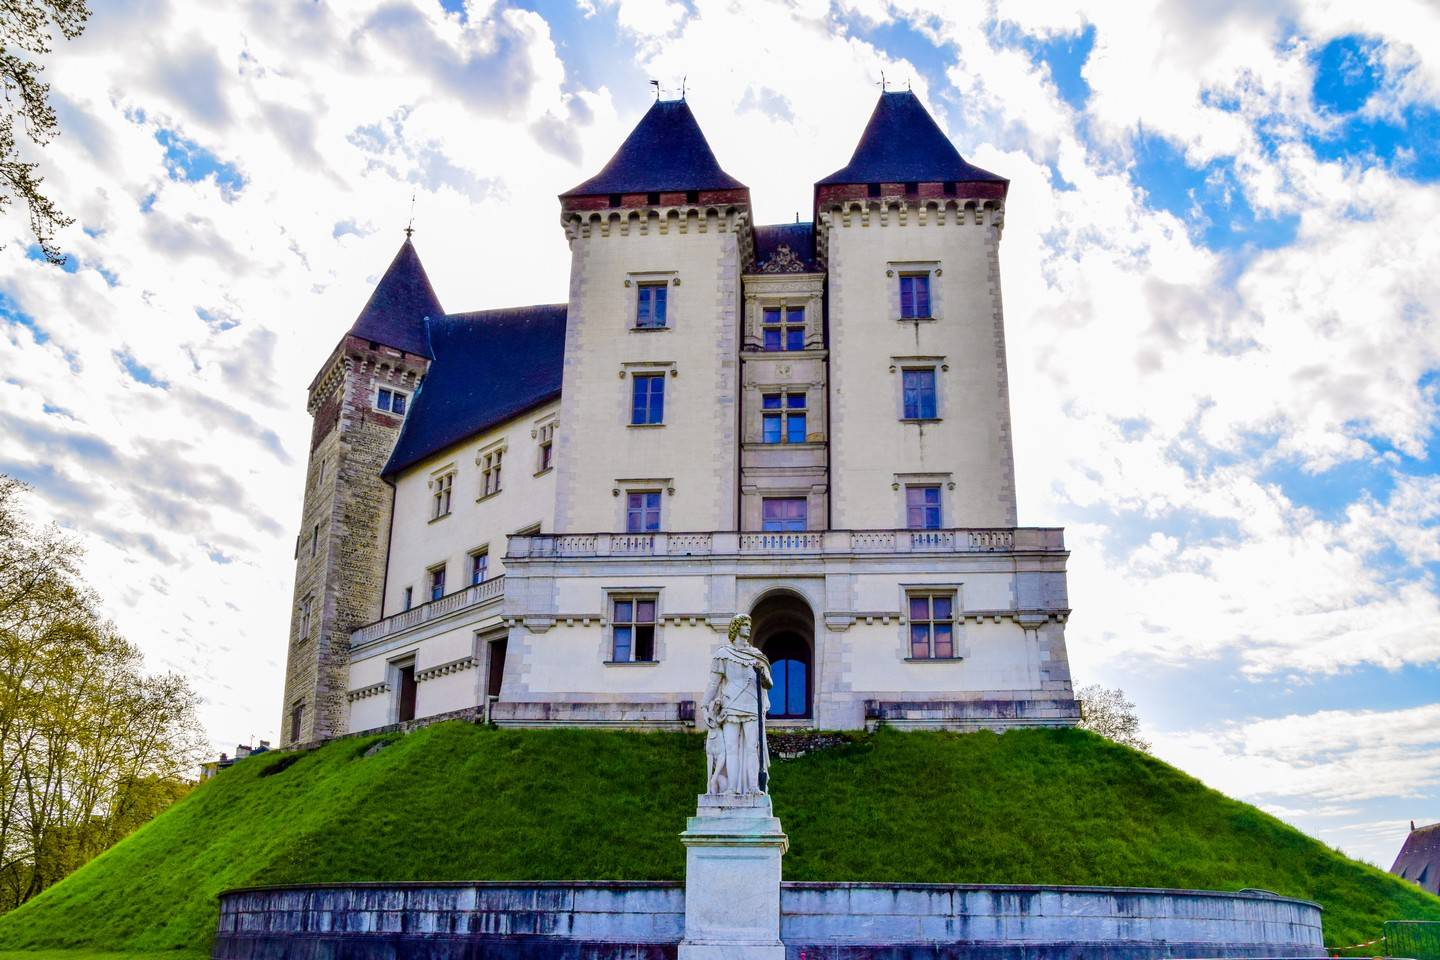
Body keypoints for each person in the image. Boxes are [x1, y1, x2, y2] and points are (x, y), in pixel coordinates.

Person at [701, 614, 773, 795]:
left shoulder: (757, 655)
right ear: (736, 628)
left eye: (749, 624)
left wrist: (762, 675)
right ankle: (731, 788)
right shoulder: (723, 655)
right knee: (731, 748)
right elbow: (713, 683)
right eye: (745, 625)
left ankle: (753, 787)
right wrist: (704, 707)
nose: (748, 628)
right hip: (730, 705)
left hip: (752, 704)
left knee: (752, 747)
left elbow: (769, 684)